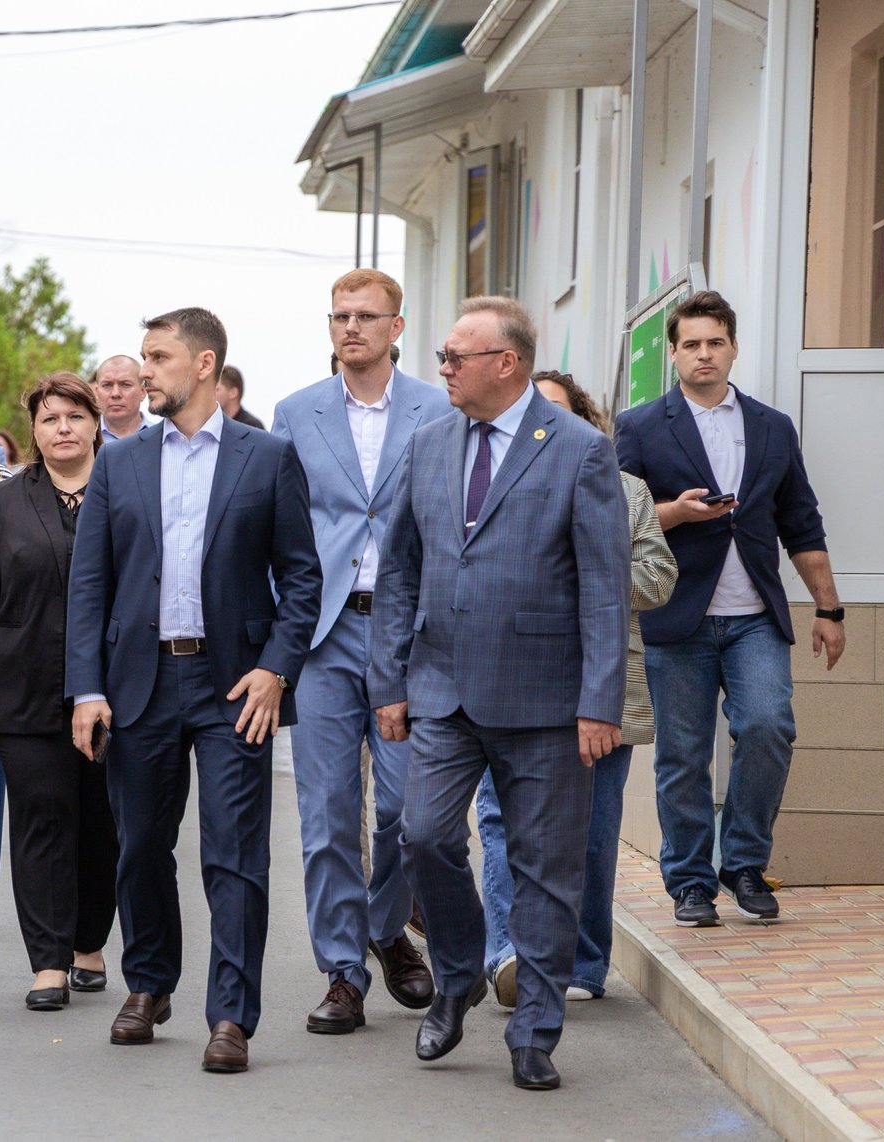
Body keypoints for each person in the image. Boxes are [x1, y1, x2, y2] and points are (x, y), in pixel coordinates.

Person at [369, 296, 630, 1092]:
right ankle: (458, 976)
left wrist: (600, 701)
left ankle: (534, 1032)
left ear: (505, 363)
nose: (441, 369)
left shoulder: (579, 451)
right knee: (422, 836)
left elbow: (605, 587)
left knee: (546, 868)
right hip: (442, 690)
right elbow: (398, 571)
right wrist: (391, 682)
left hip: (547, 701)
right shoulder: (428, 443)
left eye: (455, 357)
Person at [67, 307, 322, 1075]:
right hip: (138, 682)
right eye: (142, 357)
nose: (143, 371)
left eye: (158, 357)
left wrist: (276, 668)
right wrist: (86, 687)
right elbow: (90, 584)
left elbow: (302, 577)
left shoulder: (268, 457)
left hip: (234, 685)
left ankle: (232, 1015)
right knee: (141, 846)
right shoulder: (119, 462)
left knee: (234, 855)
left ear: (204, 364)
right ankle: (149, 984)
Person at [614, 290, 844, 928]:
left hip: (755, 618)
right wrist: (676, 512)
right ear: (673, 353)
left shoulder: (772, 426)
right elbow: (616, 518)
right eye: (691, 344)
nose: (704, 354)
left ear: (734, 347)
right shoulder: (638, 426)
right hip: (676, 616)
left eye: (715, 342)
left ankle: (742, 863)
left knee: (769, 727)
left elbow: (802, 521)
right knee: (683, 756)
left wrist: (829, 610)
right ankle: (690, 881)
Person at [269, 267, 449, 1033]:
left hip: (411, 635)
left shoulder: (439, 410)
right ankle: (343, 970)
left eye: (366, 316)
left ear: (396, 327)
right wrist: (278, 631)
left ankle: (385, 927)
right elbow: (273, 522)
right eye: (340, 315)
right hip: (324, 631)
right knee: (328, 814)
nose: (351, 327)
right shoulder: (295, 412)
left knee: (409, 812)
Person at [476, 370, 676, 1006]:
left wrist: (589, 577)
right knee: (502, 822)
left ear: (585, 424)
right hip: (506, 685)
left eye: (557, 413)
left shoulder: (627, 491)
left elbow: (659, 577)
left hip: (604, 686)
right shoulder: (482, 483)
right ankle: (507, 956)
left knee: (592, 832)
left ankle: (582, 964)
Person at [0, 372, 117, 1010]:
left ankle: (88, 942)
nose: (63, 428)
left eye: (75, 416)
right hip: (22, 687)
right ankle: (47, 961)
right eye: (50, 419)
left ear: (96, 424)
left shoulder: (127, 492)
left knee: (103, 824)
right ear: (34, 432)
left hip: (115, 689)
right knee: (41, 820)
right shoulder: (1, 504)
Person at [91, 355, 147, 442]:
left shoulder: (162, 437)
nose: (115, 394)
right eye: (107, 385)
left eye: (125, 385)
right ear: (97, 392)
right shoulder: (84, 438)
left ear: (143, 391)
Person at [216, 365, 265, 429]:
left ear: (233, 393)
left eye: (216, 389)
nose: (210, 394)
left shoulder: (252, 427)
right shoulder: (214, 425)